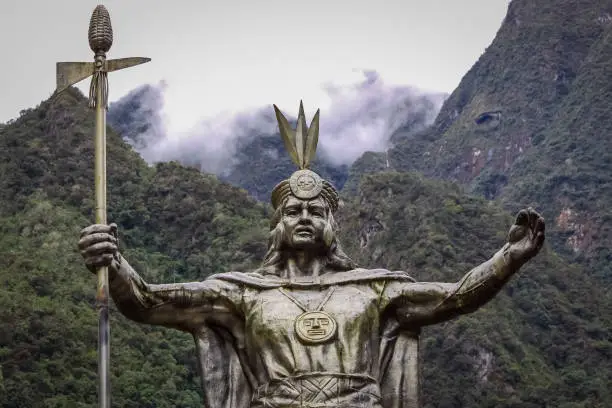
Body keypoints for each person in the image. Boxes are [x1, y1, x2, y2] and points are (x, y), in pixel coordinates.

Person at [79, 102, 545, 408]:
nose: (304, 217)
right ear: (277, 225)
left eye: (315, 210)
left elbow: (457, 297)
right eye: (293, 210)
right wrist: (114, 263)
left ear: (331, 223)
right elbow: (146, 302)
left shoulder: (373, 288)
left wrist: (509, 257)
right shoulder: (241, 294)